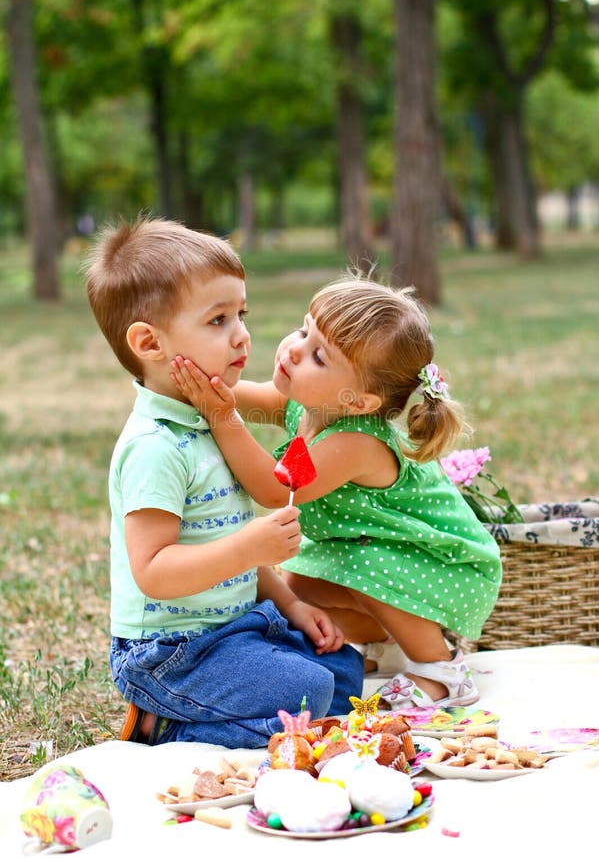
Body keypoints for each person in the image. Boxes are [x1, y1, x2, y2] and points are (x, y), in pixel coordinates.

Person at [84, 216, 364, 748]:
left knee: (345, 674)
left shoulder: (210, 417)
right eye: (217, 320)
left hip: (232, 627)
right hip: (172, 651)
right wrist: (249, 546)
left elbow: (225, 532)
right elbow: (154, 572)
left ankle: (226, 709)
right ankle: (166, 723)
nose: (242, 334)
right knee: (312, 688)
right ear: (149, 342)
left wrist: (291, 605)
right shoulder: (155, 447)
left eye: (242, 313)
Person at [170, 272, 502, 710]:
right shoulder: (309, 405)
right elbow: (238, 397)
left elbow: (274, 487)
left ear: (360, 402)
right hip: (371, 548)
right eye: (304, 329)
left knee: (364, 564)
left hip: (445, 563)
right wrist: (195, 383)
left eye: (319, 356)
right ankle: (387, 642)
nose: (293, 349)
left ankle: (442, 669)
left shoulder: (356, 442)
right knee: (294, 590)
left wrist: (221, 417)